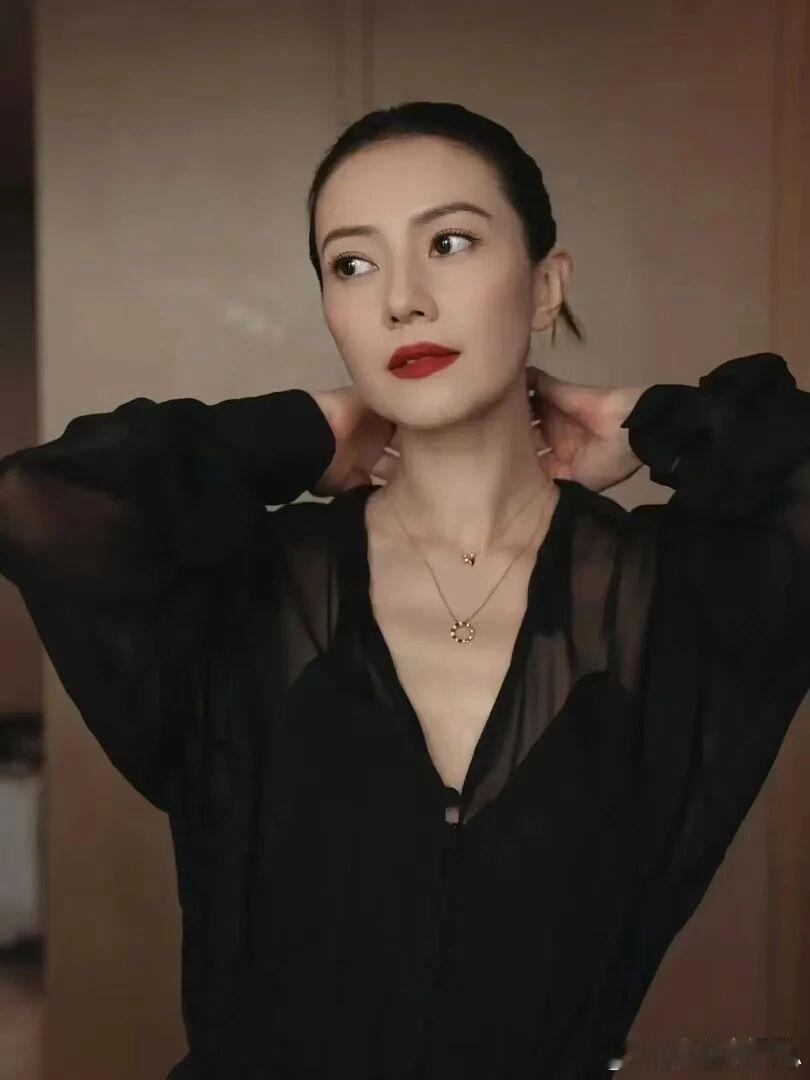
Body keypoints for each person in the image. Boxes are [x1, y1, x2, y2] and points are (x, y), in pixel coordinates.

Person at [0, 100, 807, 1079]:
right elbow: (38, 499)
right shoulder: (249, 593)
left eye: (450, 243)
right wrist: (302, 433)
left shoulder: (671, 598)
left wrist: (652, 422)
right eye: (352, 264)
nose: (402, 301)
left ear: (546, 286)